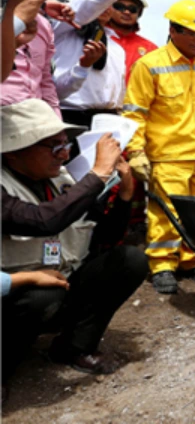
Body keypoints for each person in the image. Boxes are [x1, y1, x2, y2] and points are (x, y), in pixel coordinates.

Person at [1, 99, 147, 385]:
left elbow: (103, 238)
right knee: (42, 296)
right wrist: (98, 174)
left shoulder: (62, 180)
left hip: (60, 285)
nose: (65, 154)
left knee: (129, 260)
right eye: (54, 146)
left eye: (65, 144)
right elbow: (43, 220)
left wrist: (125, 195)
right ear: (14, 152)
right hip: (14, 297)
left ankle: (74, 347)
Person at [123, 0, 195, 294]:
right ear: (173, 30)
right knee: (166, 212)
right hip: (169, 155)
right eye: (193, 34)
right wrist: (136, 151)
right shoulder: (150, 65)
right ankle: (162, 265)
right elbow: (135, 113)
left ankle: (193, 259)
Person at [52, 0, 126, 127]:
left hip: (108, 119)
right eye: (101, 2)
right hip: (69, 117)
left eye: (110, 3)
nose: (106, 7)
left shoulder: (116, 47)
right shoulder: (60, 32)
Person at [0, 0, 61, 115]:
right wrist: (17, 21)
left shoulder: (43, 24)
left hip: (33, 118)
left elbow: (46, 81)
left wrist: (55, 120)